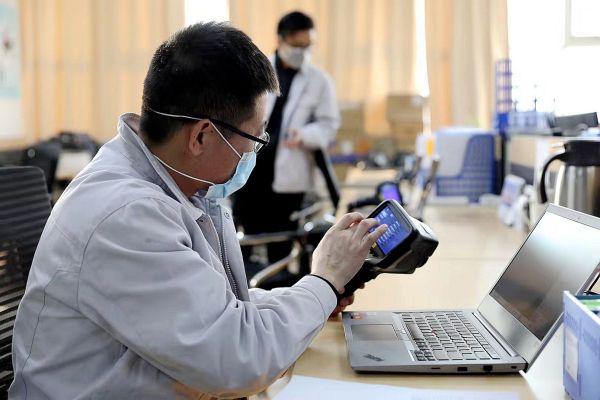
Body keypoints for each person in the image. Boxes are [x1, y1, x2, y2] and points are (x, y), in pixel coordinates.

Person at [9, 23, 386, 399]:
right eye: (254, 138)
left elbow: (215, 310)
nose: (253, 153)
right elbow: (237, 360)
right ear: (202, 136)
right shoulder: (127, 216)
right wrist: (324, 282)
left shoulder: (177, 184)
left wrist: (313, 298)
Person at [232, 11, 340, 263]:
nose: (302, 52)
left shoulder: (319, 81)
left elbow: (329, 126)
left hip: (289, 177)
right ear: (280, 40)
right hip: (251, 172)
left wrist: (305, 135)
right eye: (297, 45)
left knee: (281, 246)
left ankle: (276, 282)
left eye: (307, 46)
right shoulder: (255, 71)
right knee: (242, 243)